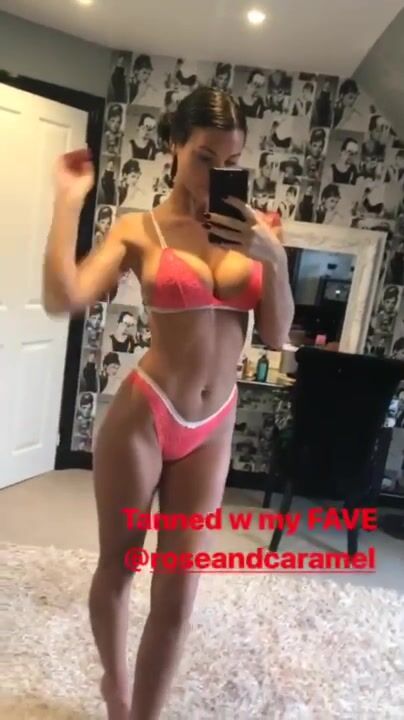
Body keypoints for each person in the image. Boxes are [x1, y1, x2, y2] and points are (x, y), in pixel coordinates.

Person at [42, 87, 294, 720]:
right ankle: (116, 687)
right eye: (204, 157)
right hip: (146, 417)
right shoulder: (139, 229)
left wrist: (275, 261)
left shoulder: (258, 232)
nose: (215, 173)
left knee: (179, 596)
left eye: (230, 161)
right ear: (175, 146)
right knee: (121, 564)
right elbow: (65, 297)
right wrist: (68, 203)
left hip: (212, 425)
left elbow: (275, 334)